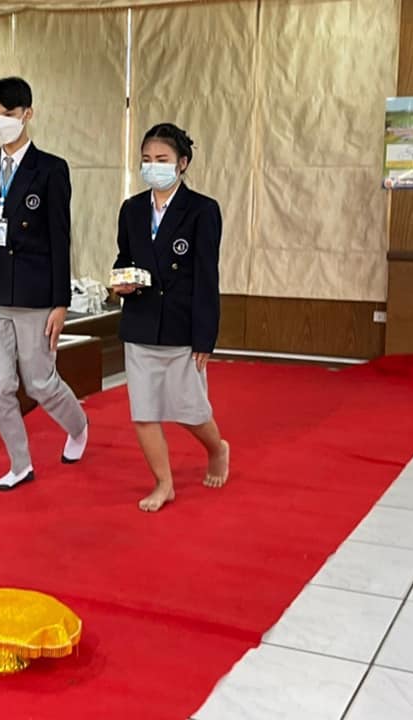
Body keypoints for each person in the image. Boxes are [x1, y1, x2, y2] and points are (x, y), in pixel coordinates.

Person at [0, 76, 88, 491]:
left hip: (37, 295)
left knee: (39, 382)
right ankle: (20, 463)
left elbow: (60, 236)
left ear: (27, 115)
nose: (1, 123)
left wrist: (60, 302)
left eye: (9, 115)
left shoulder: (51, 169)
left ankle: (78, 424)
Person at [111, 123, 230, 512]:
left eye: (161, 160)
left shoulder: (203, 210)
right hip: (141, 322)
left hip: (182, 326)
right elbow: (123, 260)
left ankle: (217, 448)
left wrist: (204, 338)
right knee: (144, 412)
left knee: (191, 410)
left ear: (182, 163)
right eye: (146, 160)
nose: (153, 167)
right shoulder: (131, 209)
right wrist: (120, 282)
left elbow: (207, 278)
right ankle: (164, 483)